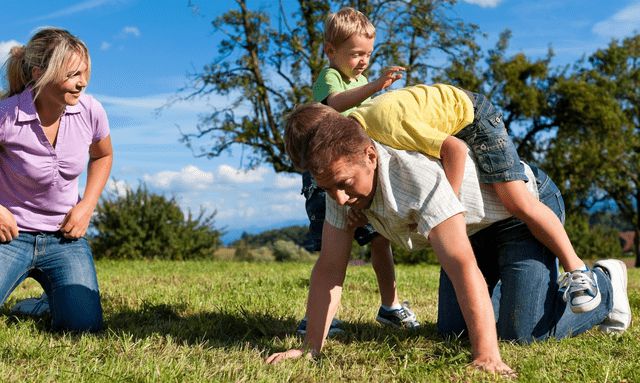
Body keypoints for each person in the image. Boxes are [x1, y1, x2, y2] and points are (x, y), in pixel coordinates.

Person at [265, 103, 631, 375]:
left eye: (344, 185)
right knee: (453, 333)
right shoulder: (339, 191)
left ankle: (606, 283)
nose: (340, 199)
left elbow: (459, 263)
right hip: (473, 229)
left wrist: (487, 354)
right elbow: (330, 268)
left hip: (516, 214)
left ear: (370, 155)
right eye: (329, 189)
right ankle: (514, 297)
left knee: (520, 334)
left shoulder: (416, 179)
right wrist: (310, 348)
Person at [347, 84, 599, 314]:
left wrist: (448, 205)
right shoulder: (358, 133)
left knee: (516, 199)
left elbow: (453, 149)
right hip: (454, 124)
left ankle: (577, 268)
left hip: (473, 116)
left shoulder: (385, 126)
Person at [298, 7, 416, 334]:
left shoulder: (361, 80)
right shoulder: (330, 77)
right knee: (334, 245)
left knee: (380, 239)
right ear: (331, 51)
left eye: (368, 54)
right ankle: (319, 316)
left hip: (358, 173)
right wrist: (377, 86)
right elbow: (335, 104)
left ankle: (390, 305)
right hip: (328, 176)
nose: (363, 61)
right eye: (355, 54)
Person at [0, 27, 112, 332]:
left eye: (85, 73)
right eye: (73, 74)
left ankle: (42, 303)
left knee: (82, 327)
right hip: (10, 236)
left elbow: (102, 156)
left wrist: (87, 205)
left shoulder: (91, 111)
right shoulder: (5, 115)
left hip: (64, 238)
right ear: (39, 74)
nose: (83, 82)